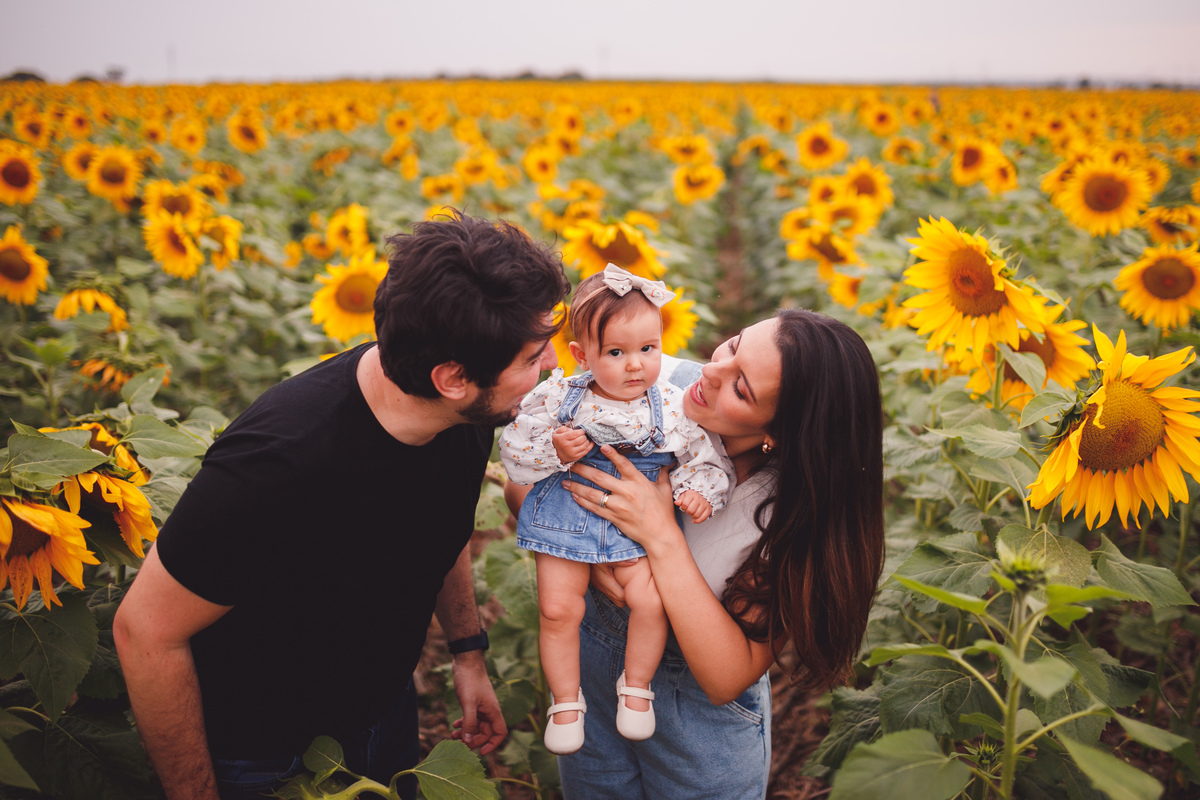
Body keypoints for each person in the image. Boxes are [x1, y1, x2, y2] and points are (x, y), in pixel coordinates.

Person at [113, 212, 571, 800]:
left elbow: (444, 520)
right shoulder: (278, 464)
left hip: (384, 711)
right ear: (453, 377)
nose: (554, 364)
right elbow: (144, 631)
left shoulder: (461, 409)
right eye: (533, 357)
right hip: (262, 755)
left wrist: (467, 653)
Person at [506, 308, 885, 799]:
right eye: (732, 345)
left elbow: (727, 677)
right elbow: (524, 493)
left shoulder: (790, 513)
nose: (711, 371)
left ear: (779, 433)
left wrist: (660, 535)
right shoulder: (648, 386)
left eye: (742, 389)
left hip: (696, 731)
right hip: (592, 690)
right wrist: (597, 557)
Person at [498, 265, 733, 755]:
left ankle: (637, 688)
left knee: (650, 602)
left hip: (634, 531)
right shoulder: (559, 397)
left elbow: (702, 458)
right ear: (582, 355)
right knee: (557, 609)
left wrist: (697, 492)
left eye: (648, 349)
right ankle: (565, 701)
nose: (635, 366)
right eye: (616, 353)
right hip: (568, 515)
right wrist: (554, 450)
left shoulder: (669, 406)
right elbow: (514, 458)